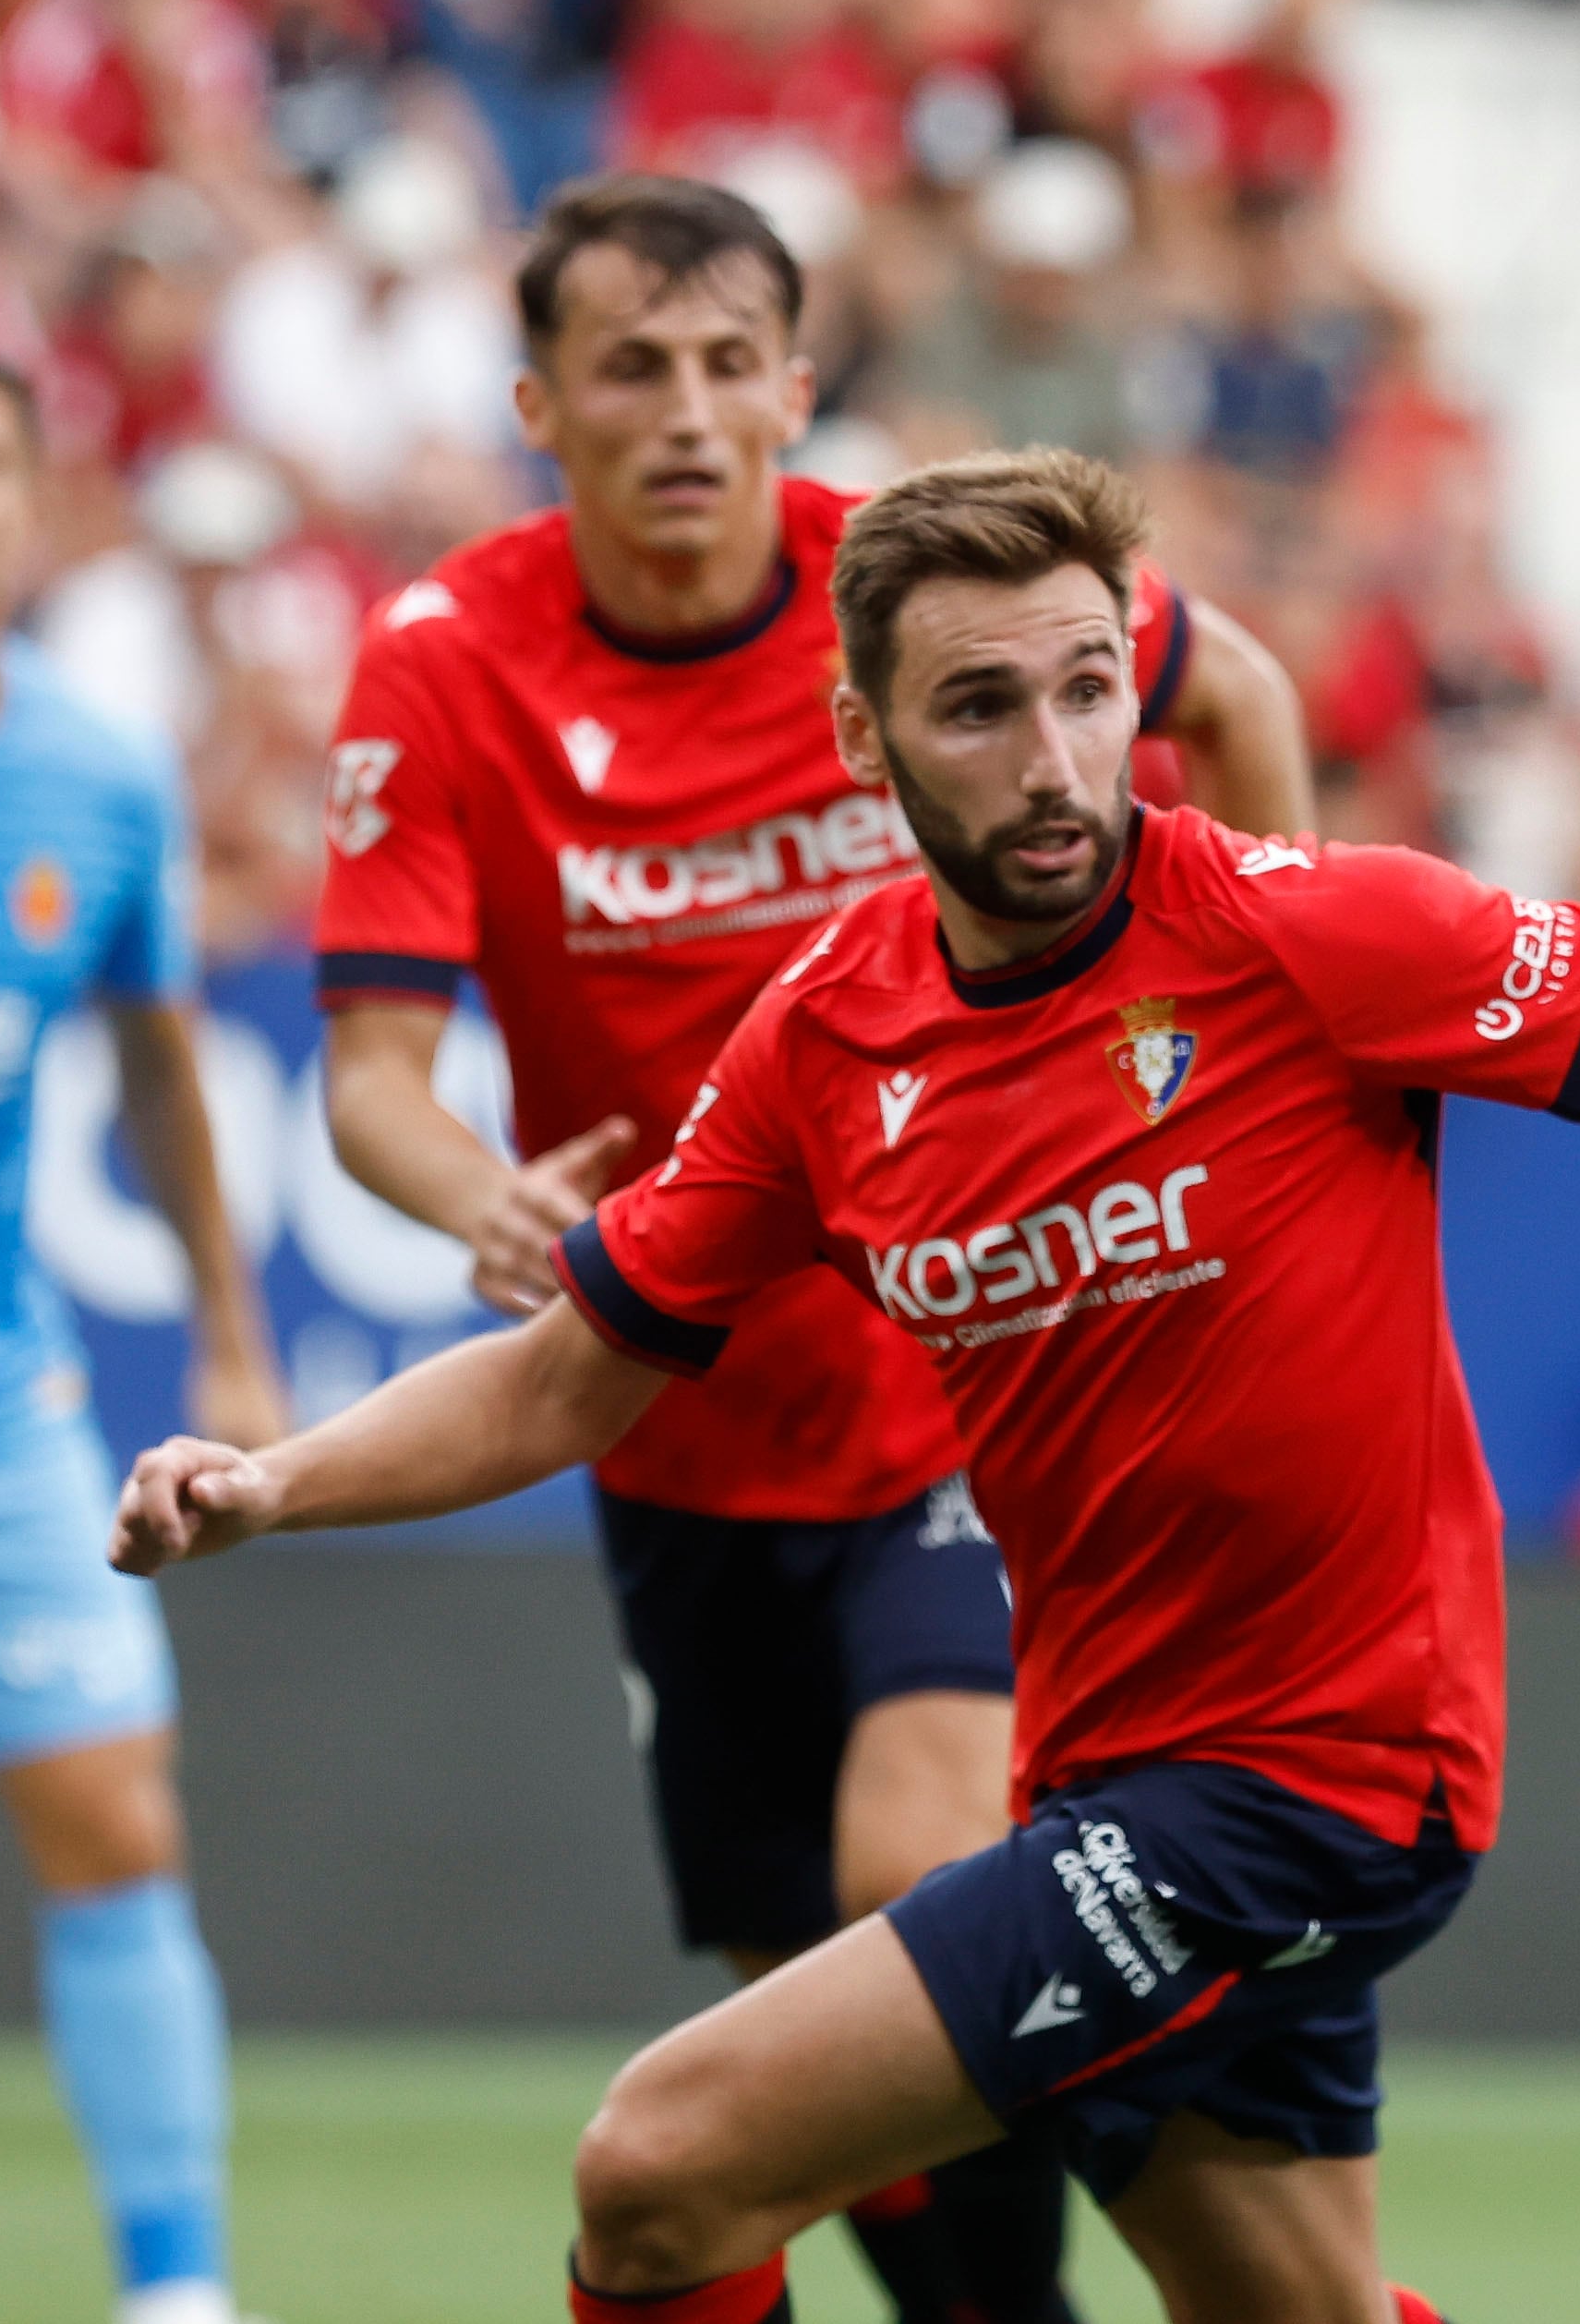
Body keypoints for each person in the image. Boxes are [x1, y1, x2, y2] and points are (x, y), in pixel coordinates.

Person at [117, 446, 1580, 2324]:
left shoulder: (1294, 927)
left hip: (1326, 1774)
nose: (1056, 755)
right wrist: (277, 1482)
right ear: (862, 735)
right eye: (980, 704)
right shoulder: (826, 1041)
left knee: (660, 2168)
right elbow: (564, 1377)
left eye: (1086, 687)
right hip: (1107, 1764)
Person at [308, 174, 1314, 2324]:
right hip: (673, 1418)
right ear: (539, 406)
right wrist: (482, 1189)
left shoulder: (920, 602)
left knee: (915, 1876)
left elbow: (1232, 692)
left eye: (725, 363)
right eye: (630, 369)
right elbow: (371, 1070)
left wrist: (1249, 983)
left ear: (794, 382)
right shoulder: (443, 663)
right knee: (794, 2012)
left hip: (965, 1380)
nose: (686, 412)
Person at [0, 345, 288, 2324]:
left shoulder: (96, 776)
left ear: (35, 501)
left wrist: (230, 1328)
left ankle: (175, 2290)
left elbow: (159, 1066)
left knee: (117, 1812)